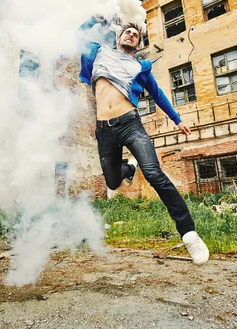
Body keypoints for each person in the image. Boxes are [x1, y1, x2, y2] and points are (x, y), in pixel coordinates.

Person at [78, 16, 210, 265]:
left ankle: (189, 234)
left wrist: (177, 119)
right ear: (118, 37)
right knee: (113, 183)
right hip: (104, 129)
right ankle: (129, 168)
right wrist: (94, 20)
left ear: (137, 44)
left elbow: (158, 95)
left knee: (154, 173)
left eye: (135, 35)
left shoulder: (141, 67)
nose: (130, 35)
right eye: (126, 32)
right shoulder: (99, 53)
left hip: (130, 124)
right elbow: (79, 40)